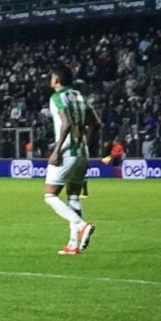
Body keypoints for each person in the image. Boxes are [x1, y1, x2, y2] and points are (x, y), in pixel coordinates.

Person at [44, 65, 101, 255]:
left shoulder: (56, 97)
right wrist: (86, 143)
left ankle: (82, 225)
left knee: (50, 196)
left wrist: (56, 150)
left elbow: (66, 122)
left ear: (57, 80)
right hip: (82, 151)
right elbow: (96, 124)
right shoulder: (80, 95)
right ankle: (73, 244)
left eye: (51, 77)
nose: (49, 80)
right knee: (73, 196)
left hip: (67, 151)